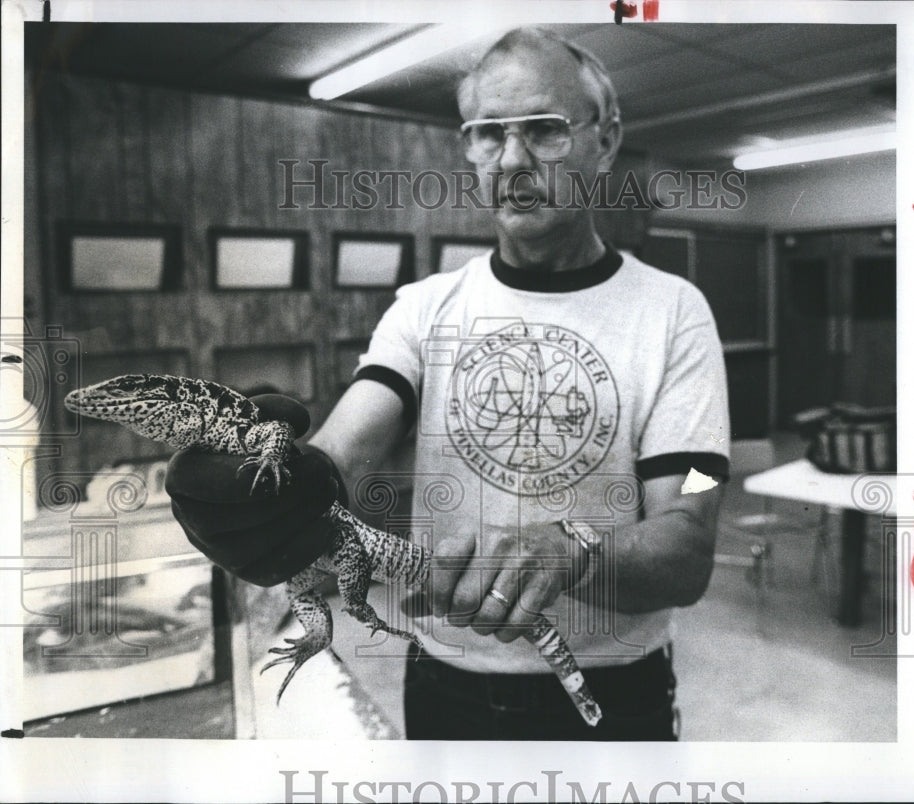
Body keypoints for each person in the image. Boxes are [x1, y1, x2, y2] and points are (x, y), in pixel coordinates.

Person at [167, 26, 730, 741]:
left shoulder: (673, 311)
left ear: (606, 139)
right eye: (489, 133)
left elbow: (687, 535)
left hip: (616, 690)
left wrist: (575, 551)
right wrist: (273, 487)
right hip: (445, 684)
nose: (513, 159)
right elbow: (341, 452)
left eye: (545, 130)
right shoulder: (425, 308)